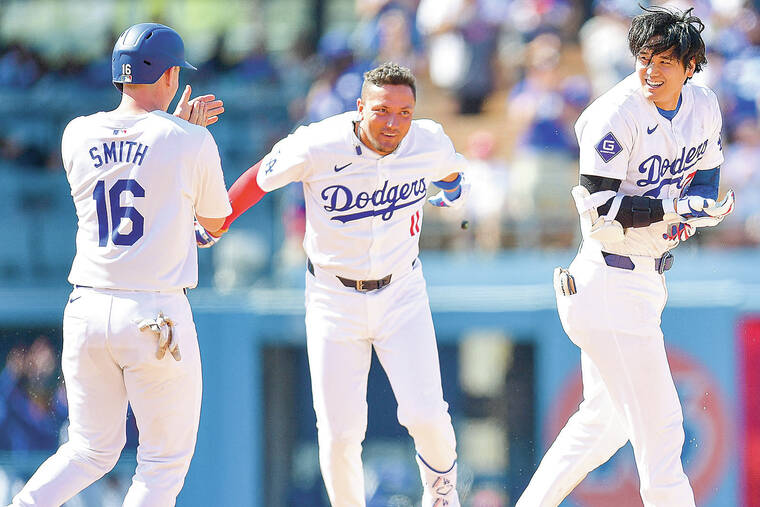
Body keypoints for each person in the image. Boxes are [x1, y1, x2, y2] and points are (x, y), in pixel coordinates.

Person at [199, 62, 467, 506]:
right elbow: (259, 178)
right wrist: (215, 225)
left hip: (402, 291)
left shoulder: (428, 141)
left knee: (427, 415)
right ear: (360, 108)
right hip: (332, 297)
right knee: (340, 433)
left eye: (405, 112)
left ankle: (442, 496)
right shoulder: (318, 143)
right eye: (383, 111)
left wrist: (450, 193)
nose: (394, 122)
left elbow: (453, 177)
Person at [517, 6, 735, 506]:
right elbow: (599, 211)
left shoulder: (703, 106)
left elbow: (706, 170)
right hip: (607, 277)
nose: (652, 70)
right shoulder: (613, 113)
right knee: (662, 429)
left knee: (604, 424)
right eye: (644, 57)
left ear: (691, 64)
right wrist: (675, 206)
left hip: (641, 280)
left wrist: (698, 204)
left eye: (665, 60)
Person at [8, 23, 231, 506]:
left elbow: (137, 157)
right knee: (162, 463)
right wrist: (187, 131)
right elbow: (214, 221)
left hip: (87, 308)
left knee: (89, 450)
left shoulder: (76, 133)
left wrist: (179, 132)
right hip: (155, 312)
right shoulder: (189, 141)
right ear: (170, 76)